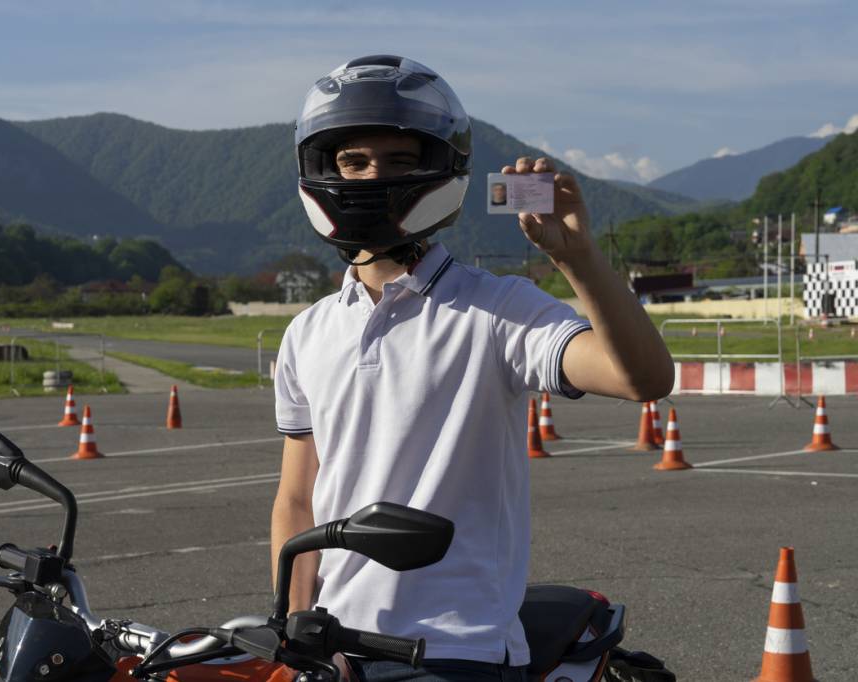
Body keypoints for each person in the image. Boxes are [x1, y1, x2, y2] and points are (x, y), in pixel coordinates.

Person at [271, 55, 673, 682]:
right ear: (322, 170)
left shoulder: (497, 308)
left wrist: (579, 258)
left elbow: (643, 378)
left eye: (400, 160)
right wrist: (296, 630)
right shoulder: (307, 333)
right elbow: (298, 499)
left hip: (461, 650)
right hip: (337, 646)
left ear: (440, 170)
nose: (374, 176)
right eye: (353, 161)